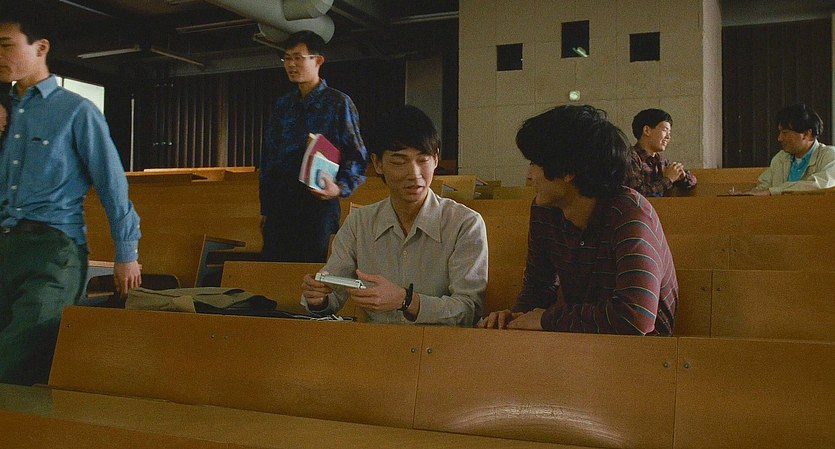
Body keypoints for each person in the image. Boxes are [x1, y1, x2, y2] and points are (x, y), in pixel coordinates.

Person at [0, 4, 141, 385]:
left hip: (53, 249)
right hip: (5, 245)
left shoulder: (76, 111)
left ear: (41, 47)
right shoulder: (4, 112)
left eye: (6, 45)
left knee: (15, 360)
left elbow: (112, 184)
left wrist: (126, 254)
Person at [479, 105, 677, 335]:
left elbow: (635, 318)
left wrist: (546, 319)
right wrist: (514, 320)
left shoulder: (630, 214)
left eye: (534, 163)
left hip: (643, 350)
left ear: (568, 171)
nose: (529, 175)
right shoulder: (546, 210)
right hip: (580, 342)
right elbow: (538, 288)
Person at [300, 105, 488, 326]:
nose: (414, 174)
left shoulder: (465, 224)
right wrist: (318, 298)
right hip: (376, 342)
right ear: (378, 163)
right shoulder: (359, 223)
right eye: (399, 162)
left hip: (438, 343)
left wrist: (406, 301)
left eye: (423, 160)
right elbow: (332, 293)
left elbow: (469, 309)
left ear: (436, 159)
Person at [259, 30, 367, 263]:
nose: (291, 64)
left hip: (318, 204)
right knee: (272, 271)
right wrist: (266, 208)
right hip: (281, 205)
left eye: (298, 58)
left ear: (318, 60)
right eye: (287, 58)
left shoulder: (338, 103)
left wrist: (338, 188)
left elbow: (357, 157)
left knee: (313, 270)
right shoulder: (283, 105)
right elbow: (269, 159)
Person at [738, 104, 835, 195]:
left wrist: (775, 191)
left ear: (806, 134)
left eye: (785, 133)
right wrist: (745, 196)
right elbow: (763, 188)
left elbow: (820, 184)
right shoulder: (780, 158)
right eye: (780, 132)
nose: (779, 138)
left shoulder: (829, 156)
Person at [626, 108, 696, 196]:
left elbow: (692, 181)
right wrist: (668, 179)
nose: (668, 137)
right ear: (647, 130)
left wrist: (682, 176)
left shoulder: (661, 160)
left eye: (669, 132)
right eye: (665, 130)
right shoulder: (629, 157)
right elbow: (637, 194)